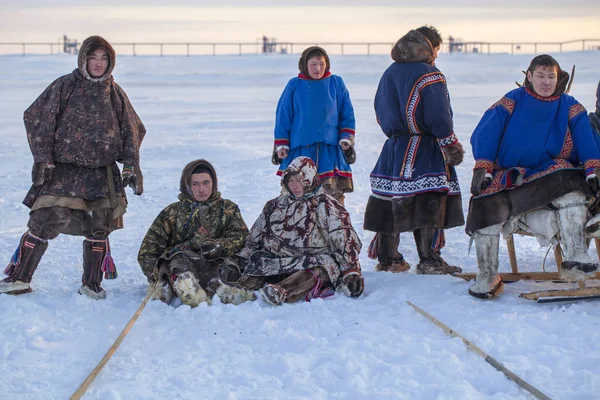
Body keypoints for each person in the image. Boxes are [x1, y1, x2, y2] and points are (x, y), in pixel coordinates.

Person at [0, 36, 145, 299]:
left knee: (100, 226)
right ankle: (19, 277)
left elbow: (132, 129)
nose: (98, 63)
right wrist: (43, 158)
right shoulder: (65, 86)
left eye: (104, 58)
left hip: (102, 172)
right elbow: (37, 118)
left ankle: (92, 283)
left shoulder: (115, 93)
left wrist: (131, 166)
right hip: (65, 170)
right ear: (83, 59)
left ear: (111, 62)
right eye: (93, 58)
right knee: (46, 217)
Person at [467, 54, 600, 299]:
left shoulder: (570, 106)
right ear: (529, 76)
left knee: (573, 191)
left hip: (553, 170)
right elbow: (487, 131)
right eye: (541, 76)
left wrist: (592, 170)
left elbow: (585, 138)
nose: (546, 82)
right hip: (512, 174)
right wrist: (483, 167)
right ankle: (486, 275)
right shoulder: (511, 101)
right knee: (485, 202)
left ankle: (576, 257)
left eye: (551, 76)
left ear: (558, 78)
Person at [363, 26, 465, 275]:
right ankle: (429, 259)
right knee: (428, 199)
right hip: (424, 147)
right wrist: (450, 145)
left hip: (395, 147)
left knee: (391, 200)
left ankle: (389, 258)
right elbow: (439, 116)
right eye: (436, 50)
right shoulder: (429, 74)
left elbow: (379, 110)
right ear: (428, 47)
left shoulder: (389, 73)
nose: (437, 56)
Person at [211, 156, 364, 306]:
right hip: (278, 261)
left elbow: (343, 239)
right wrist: (242, 259)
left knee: (322, 266)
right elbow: (255, 236)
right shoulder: (275, 205)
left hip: (310, 263)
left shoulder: (327, 206)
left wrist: (351, 272)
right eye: (290, 181)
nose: (294, 186)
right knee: (258, 258)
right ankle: (239, 290)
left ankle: (282, 291)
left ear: (310, 179)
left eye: (299, 180)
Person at [138, 159, 249, 308]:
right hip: (183, 264)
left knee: (227, 268)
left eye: (206, 183)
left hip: (217, 262)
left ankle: (219, 286)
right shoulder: (171, 213)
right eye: (195, 184)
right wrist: (155, 277)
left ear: (214, 183)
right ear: (187, 186)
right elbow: (148, 251)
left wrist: (219, 246)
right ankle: (182, 287)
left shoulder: (228, 209)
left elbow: (240, 236)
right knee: (179, 260)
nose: (201, 189)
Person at [271, 46, 356, 205]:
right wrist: (281, 143)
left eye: (321, 64)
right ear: (305, 64)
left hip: (328, 151)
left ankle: (333, 226)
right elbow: (283, 115)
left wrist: (346, 137)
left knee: (331, 196)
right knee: (296, 194)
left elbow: (347, 112)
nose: (318, 68)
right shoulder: (294, 85)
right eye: (313, 64)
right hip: (300, 150)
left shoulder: (336, 84)